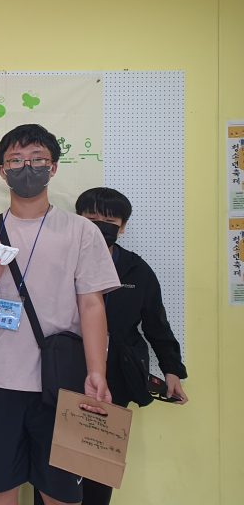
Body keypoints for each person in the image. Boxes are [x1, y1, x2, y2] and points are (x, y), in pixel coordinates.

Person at [0, 124, 121, 505]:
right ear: (2, 170)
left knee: (60, 492)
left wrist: (97, 372)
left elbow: (92, 305)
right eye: (15, 160)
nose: (27, 167)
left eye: (37, 159)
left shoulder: (81, 231)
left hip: (62, 383)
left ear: (53, 167)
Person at [33, 187, 187, 505]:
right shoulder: (56, 262)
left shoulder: (136, 270)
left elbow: (156, 323)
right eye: (90, 219)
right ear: (77, 221)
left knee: (98, 464)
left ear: (123, 226)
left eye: (109, 221)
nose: (98, 226)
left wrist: (172, 370)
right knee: (55, 465)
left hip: (115, 377)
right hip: (63, 373)